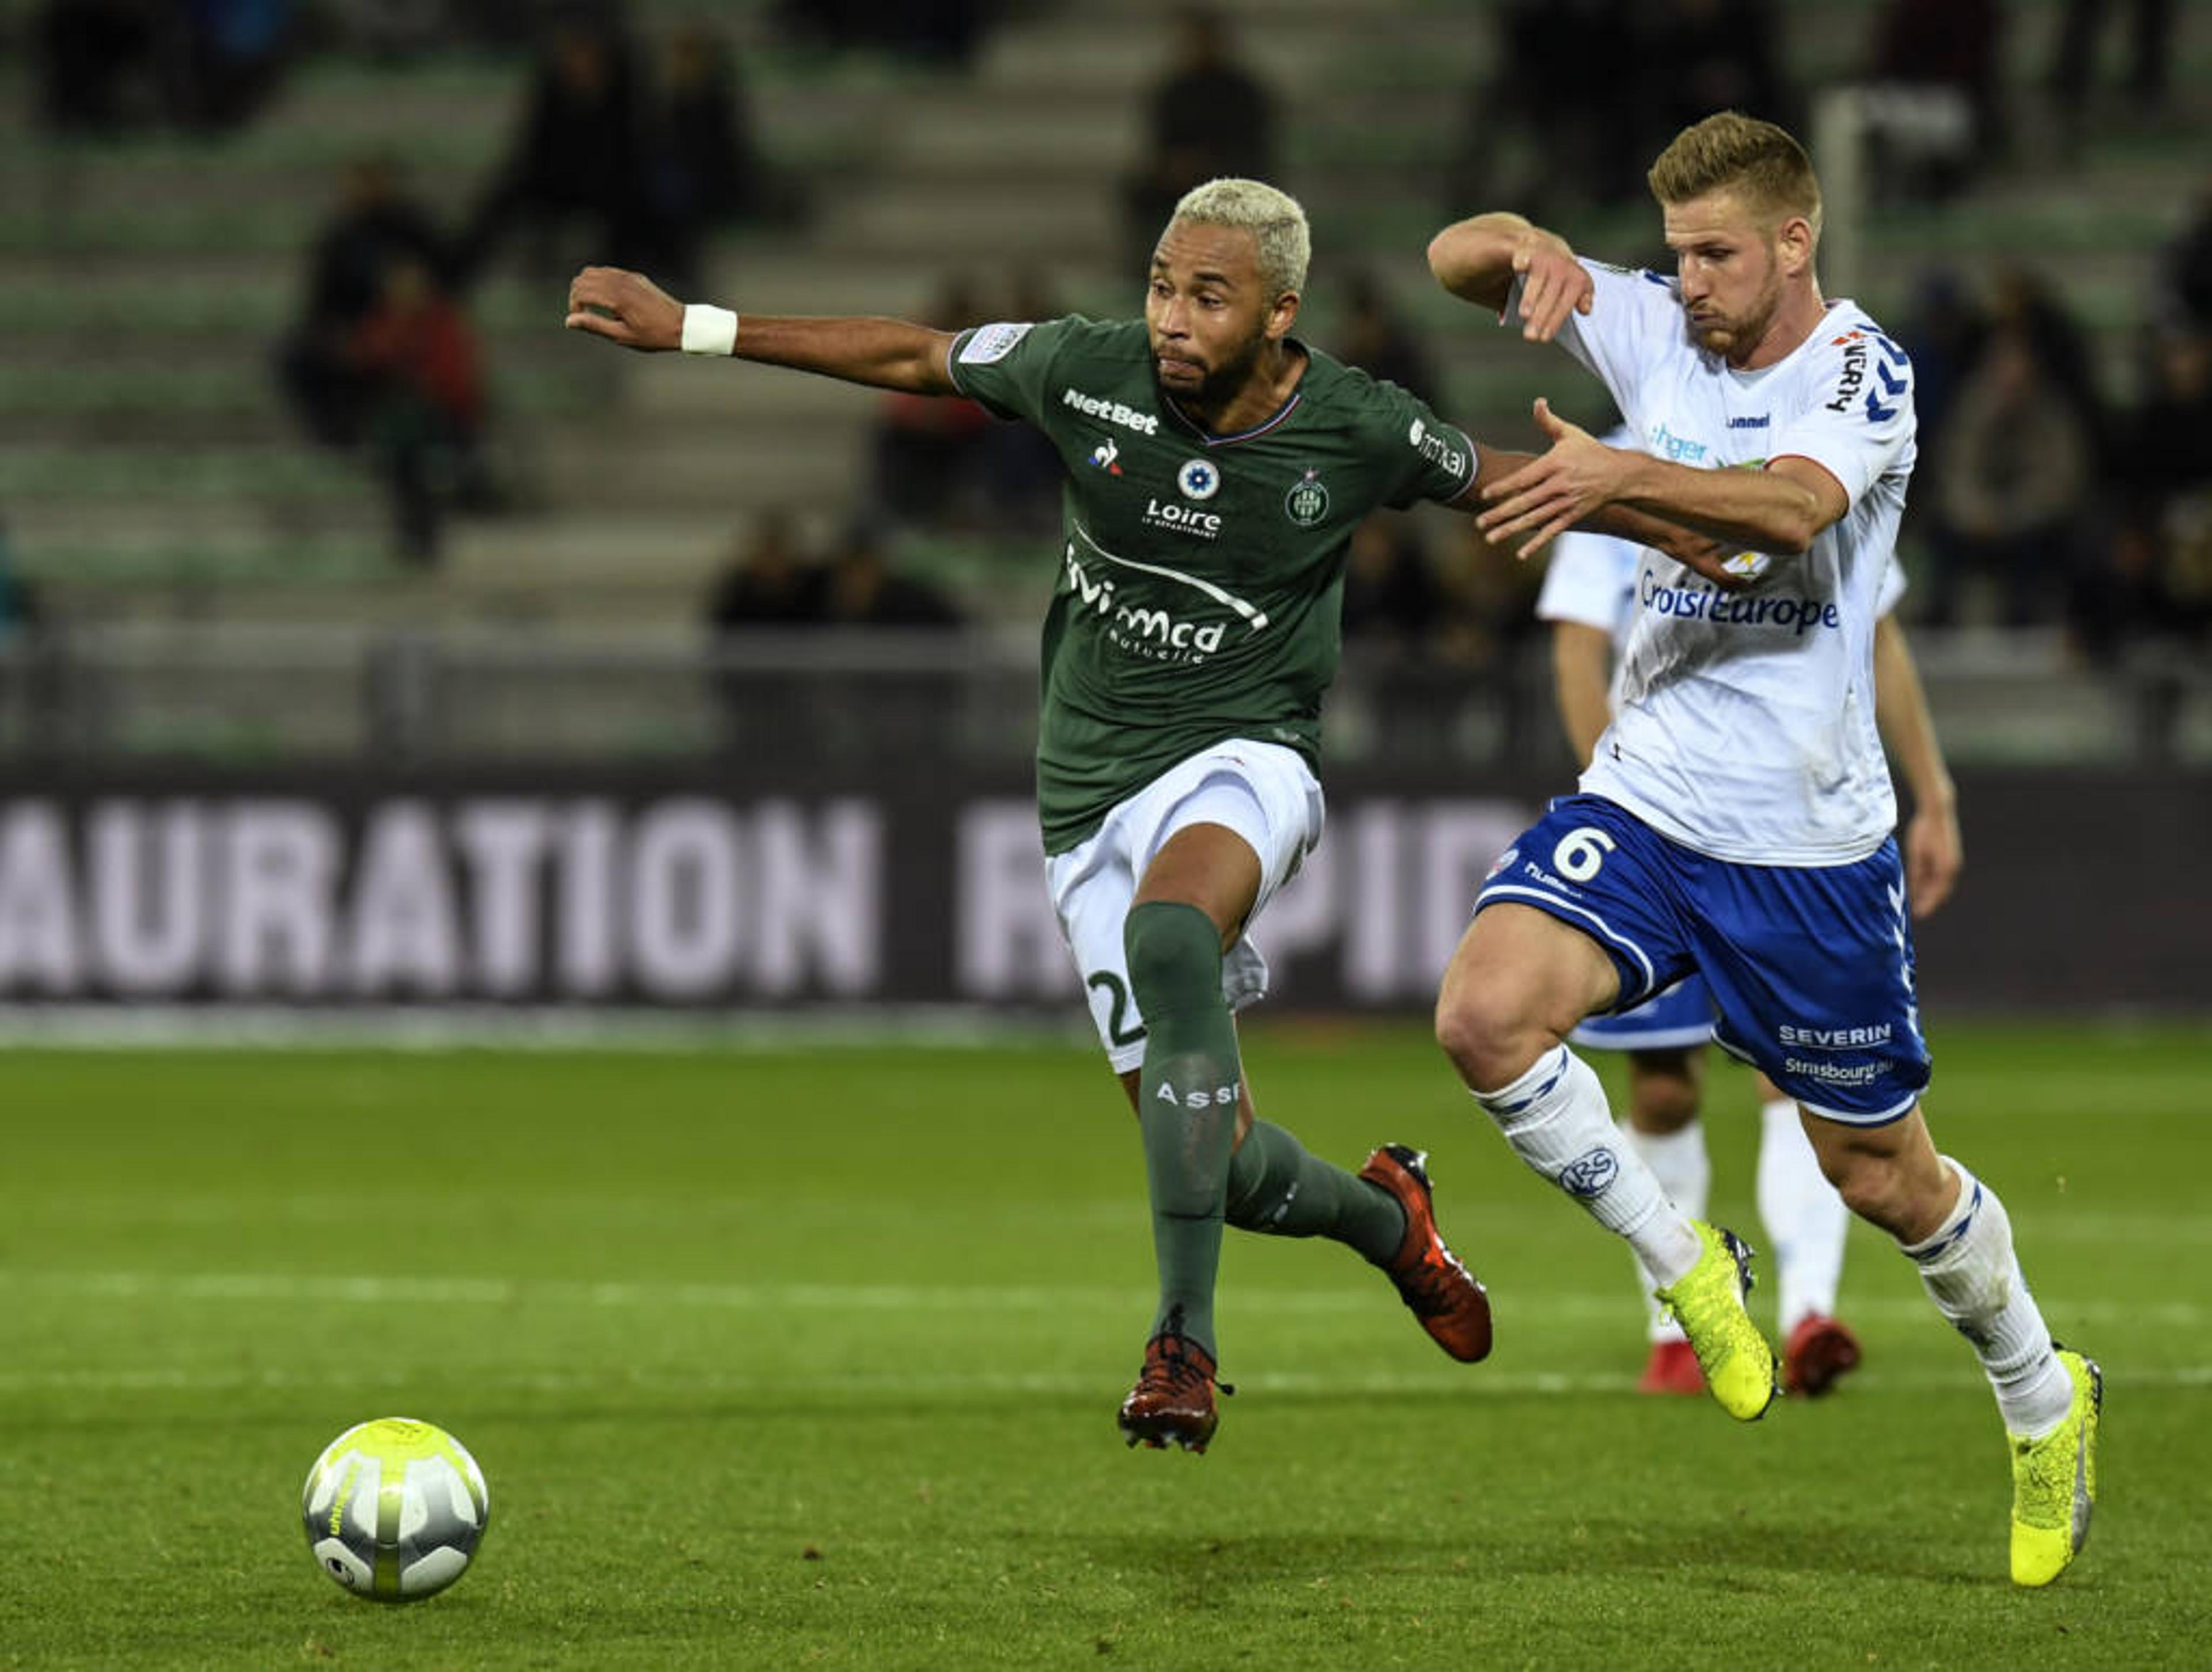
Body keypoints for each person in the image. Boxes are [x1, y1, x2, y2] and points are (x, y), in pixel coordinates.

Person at [567, 177, 1743, 1455]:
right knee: (1224, 1168)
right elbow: (916, 353)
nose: (1172, 318)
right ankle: (1391, 1219)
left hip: (1248, 756)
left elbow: (1516, 479)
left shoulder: (1353, 423)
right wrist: (692, 327)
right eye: (1163, 286)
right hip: (1085, 791)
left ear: (1280, 314)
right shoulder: (1086, 369)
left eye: (1209, 295)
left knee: (1173, 935)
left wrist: (1704, 520)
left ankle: (1182, 1344)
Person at [1426, 111, 2099, 1587]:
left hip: (1807, 847)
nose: (1693, 284)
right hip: (1654, 801)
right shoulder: (1662, 327)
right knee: (1483, 1011)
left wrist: (1612, 481)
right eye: (1675, 255)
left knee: (1885, 1177)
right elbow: (1449, 260)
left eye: (1718, 254)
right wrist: (1524, 252)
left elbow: (1793, 515)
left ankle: (2045, 1396)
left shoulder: (1862, 368)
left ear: (1795, 242)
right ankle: (1687, 1262)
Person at [1537, 501, 1963, 1397]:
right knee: (1662, 1082)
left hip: (1785, 834)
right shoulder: (1609, 467)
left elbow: (1877, 637)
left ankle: (1809, 1312)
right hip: (1656, 830)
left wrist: (1934, 791)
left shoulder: (1809, 463)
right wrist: (1624, 803)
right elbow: (1578, 653)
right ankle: (1679, 1321)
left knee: (1797, 1075)